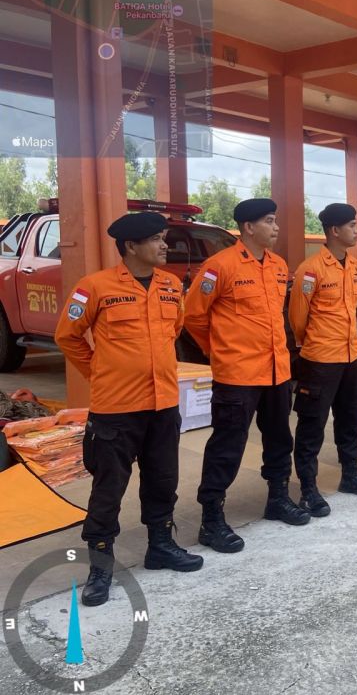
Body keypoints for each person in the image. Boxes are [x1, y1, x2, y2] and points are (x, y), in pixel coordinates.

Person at [56, 212, 203, 607]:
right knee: (108, 490)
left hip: (162, 404)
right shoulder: (95, 288)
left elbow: (175, 330)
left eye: (163, 238)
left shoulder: (172, 286)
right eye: (156, 239)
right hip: (116, 409)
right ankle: (100, 568)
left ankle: (161, 547)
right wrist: (100, 372)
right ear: (131, 246)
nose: (164, 245)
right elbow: (67, 336)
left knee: (162, 480)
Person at [185, 198, 310, 554]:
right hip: (237, 374)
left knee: (278, 439)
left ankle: (278, 499)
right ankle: (212, 519)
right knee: (228, 446)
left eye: (276, 220)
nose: (276, 227)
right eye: (270, 221)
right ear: (248, 227)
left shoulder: (278, 266)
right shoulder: (219, 266)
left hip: (276, 371)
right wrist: (218, 350)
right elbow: (193, 316)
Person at [289, 203, 357, 516]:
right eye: (352, 225)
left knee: (350, 418)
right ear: (334, 231)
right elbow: (298, 319)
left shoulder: (356, 267)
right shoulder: (310, 270)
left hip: (351, 356)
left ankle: (350, 474)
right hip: (319, 358)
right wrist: (313, 343)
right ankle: (308, 489)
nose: (356, 230)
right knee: (312, 424)